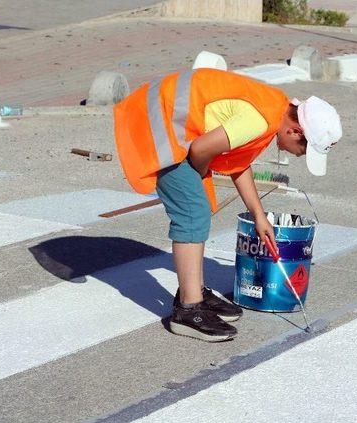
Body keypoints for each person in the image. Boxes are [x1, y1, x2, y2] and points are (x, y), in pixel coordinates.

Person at [114, 68, 342, 342]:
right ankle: (189, 310)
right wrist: (196, 178)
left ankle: (194, 289)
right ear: (294, 131)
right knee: (192, 213)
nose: (297, 155)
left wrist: (259, 216)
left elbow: (238, 162)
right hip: (160, 123)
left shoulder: (274, 108)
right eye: (303, 150)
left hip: (173, 120)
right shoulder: (258, 120)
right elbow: (199, 150)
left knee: (196, 210)